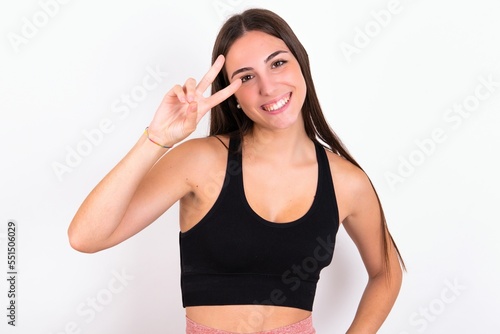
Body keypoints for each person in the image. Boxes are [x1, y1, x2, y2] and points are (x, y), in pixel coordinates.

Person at [68, 8, 404, 334]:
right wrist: (156, 138)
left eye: (278, 63)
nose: (268, 87)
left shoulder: (347, 182)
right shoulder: (200, 161)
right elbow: (86, 237)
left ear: (301, 63)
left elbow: (386, 272)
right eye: (246, 77)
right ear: (233, 95)